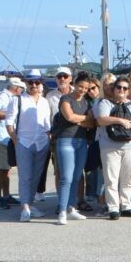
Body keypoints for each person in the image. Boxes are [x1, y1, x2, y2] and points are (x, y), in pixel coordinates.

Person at [95, 76, 131, 220]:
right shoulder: (105, 103)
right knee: (111, 178)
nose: (122, 90)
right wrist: (120, 120)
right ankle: (113, 208)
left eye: (125, 88)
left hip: (129, 145)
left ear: (128, 90)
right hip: (109, 146)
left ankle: (126, 206)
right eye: (119, 87)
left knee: (128, 177)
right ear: (114, 89)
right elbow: (101, 119)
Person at [7, 69, 53, 222]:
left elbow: (47, 125)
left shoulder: (45, 102)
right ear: (25, 83)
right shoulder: (17, 100)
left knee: (36, 176)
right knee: (25, 177)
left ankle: (30, 203)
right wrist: (16, 141)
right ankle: (24, 207)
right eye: (30, 82)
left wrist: (48, 139)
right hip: (24, 142)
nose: (34, 85)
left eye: (37, 82)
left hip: (41, 142)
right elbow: (9, 123)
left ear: (41, 83)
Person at [52, 73, 96, 225]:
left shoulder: (86, 102)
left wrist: (80, 120)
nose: (82, 90)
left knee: (77, 176)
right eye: (80, 87)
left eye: (86, 88)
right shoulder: (66, 99)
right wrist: (83, 118)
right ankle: (62, 210)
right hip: (65, 140)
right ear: (75, 84)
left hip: (82, 141)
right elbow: (69, 117)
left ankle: (71, 208)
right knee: (66, 177)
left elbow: (92, 123)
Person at [0, 76, 24, 210]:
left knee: (6, 168)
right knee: (1, 169)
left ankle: (6, 195)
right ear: (16, 88)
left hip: (8, 137)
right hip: (1, 136)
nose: (22, 90)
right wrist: (9, 114)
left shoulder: (12, 98)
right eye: (21, 88)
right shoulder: (3, 96)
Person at [40, 66, 74, 204]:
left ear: (70, 78)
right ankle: (62, 201)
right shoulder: (50, 96)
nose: (62, 79)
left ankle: (77, 201)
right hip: (58, 138)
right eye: (59, 76)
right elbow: (46, 117)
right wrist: (49, 133)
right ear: (55, 79)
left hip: (76, 136)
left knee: (77, 171)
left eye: (65, 76)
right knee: (59, 171)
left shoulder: (77, 93)